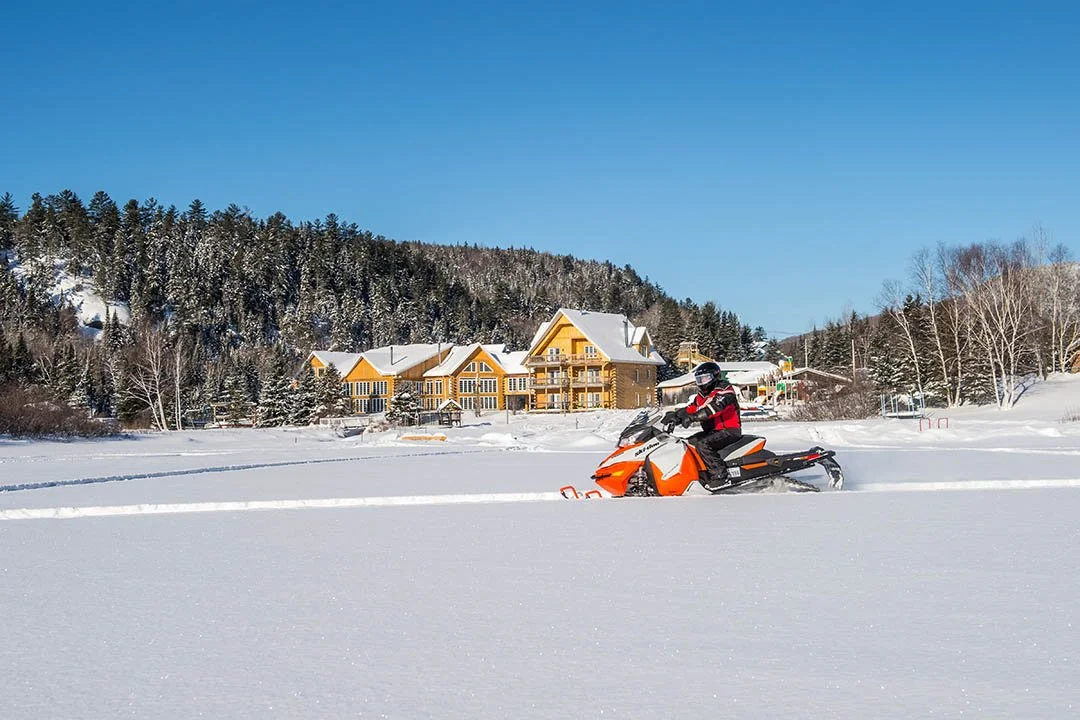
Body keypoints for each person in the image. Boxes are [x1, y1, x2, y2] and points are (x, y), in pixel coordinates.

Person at [662, 361, 742, 490]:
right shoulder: (701, 396)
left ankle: (720, 476)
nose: (702, 382)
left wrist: (693, 418)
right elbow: (691, 408)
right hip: (713, 431)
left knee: (703, 444)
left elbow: (714, 408)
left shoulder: (724, 390)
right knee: (688, 443)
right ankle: (698, 473)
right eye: (699, 379)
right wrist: (676, 416)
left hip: (729, 430)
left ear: (714, 376)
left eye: (705, 378)